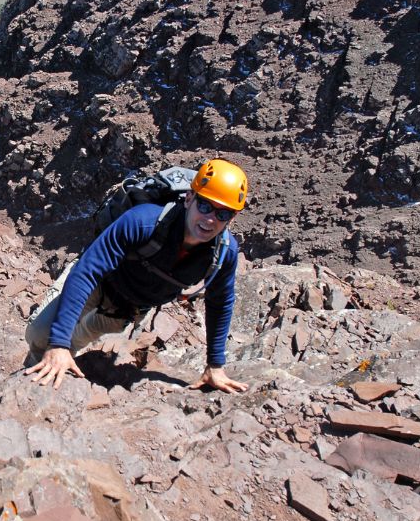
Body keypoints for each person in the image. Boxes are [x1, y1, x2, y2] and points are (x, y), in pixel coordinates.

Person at [24, 158, 250, 392]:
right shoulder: (144, 221)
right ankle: (31, 374)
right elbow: (87, 272)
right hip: (100, 284)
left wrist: (215, 365)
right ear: (189, 199)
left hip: (127, 311)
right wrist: (58, 343)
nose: (211, 219)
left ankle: (58, 359)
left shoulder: (224, 253)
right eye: (205, 206)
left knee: (75, 340)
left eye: (223, 214)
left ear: (232, 219)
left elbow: (220, 302)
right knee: (41, 334)